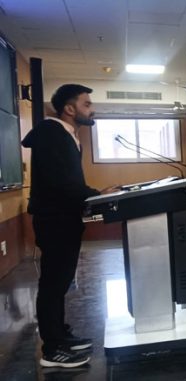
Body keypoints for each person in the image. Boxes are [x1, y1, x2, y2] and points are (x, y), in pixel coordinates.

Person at [22, 84, 113, 367]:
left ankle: (59, 335)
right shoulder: (52, 134)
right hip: (55, 220)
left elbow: (68, 181)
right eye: (86, 104)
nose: (92, 108)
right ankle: (52, 350)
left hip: (64, 218)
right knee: (52, 284)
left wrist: (95, 195)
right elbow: (64, 183)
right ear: (69, 109)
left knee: (60, 283)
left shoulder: (66, 135)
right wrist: (97, 195)